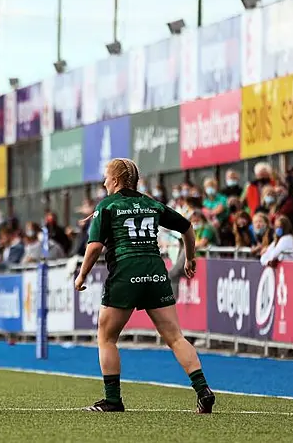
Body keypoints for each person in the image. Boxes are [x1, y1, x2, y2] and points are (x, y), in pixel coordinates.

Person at [74, 158, 215, 413]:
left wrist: (82, 275)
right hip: (155, 271)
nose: (104, 181)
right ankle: (203, 389)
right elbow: (187, 227)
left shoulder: (107, 205)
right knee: (175, 336)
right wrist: (190, 258)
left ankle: (113, 400)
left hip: (126, 272)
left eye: (106, 177)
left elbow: (94, 247)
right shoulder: (151, 204)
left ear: (115, 180)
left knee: (106, 337)